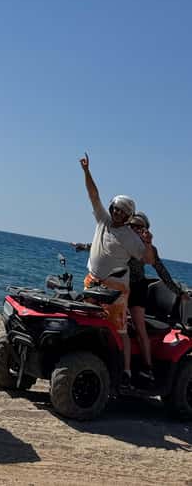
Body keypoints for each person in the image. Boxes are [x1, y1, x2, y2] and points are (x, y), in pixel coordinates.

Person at [79, 153, 154, 388]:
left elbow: (148, 259)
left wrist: (148, 243)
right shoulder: (103, 220)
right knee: (88, 321)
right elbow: (93, 195)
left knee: (120, 329)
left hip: (116, 290)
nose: (118, 213)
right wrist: (87, 171)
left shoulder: (131, 237)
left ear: (129, 215)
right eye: (116, 208)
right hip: (92, 282)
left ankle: (127, 372)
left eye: (123, 211)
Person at [126, 212, 190, 384]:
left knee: (139, 327)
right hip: (120, 287)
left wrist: (178, 292)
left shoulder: (149, 249)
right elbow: (104, 249)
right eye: (132, 225)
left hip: (137, 289)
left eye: (139, 226)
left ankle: (148, 368)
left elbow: (162, 272)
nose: (135, 229)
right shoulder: (123, 241)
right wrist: (84, 247)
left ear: (145, 229)